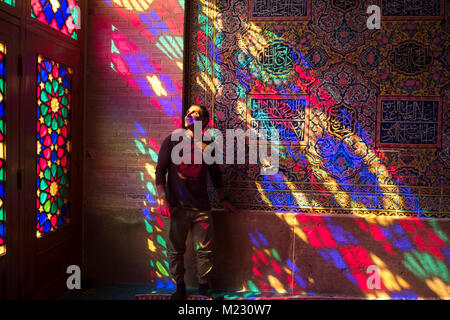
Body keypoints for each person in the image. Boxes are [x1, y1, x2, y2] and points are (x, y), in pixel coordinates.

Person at [155, 104, 239, 300]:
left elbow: (215, 174)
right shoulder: (172, 141)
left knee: (205, 251)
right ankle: (180, 286)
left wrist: (223, 199)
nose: (189, 115)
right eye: (188, 113)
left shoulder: (207, 144)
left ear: (204, 121)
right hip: (176, 207)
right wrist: (163, 199)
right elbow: (160, 170)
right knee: (175, 250)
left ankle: (203, 286)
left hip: (201, 208)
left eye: (195, 113)